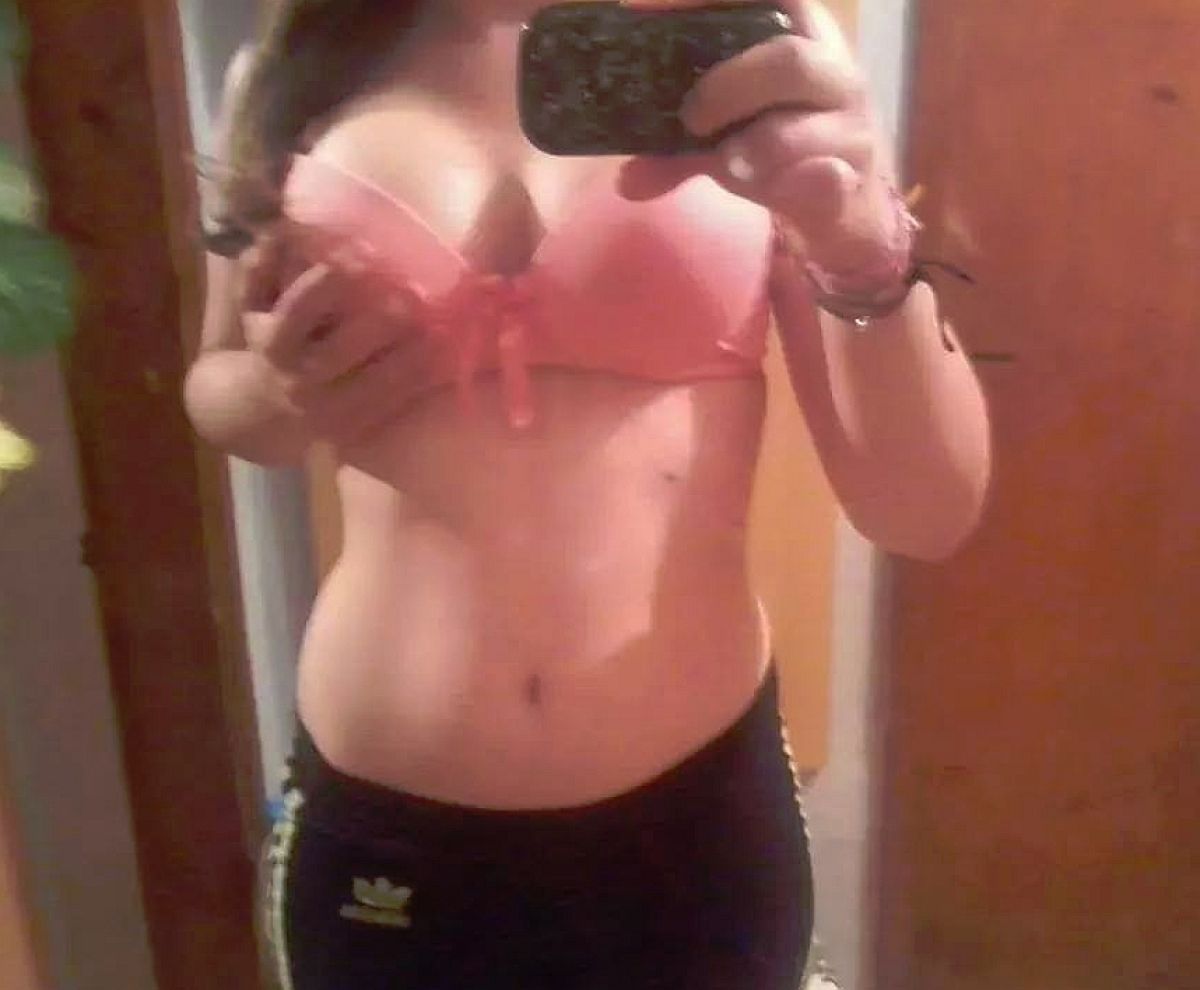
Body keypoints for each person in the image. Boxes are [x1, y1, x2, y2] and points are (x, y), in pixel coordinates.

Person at [185, 1, 991, 988]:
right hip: (386, 825)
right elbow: (219, 389)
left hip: (690, 826)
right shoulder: (298, 63)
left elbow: (926, 509)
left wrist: (861, 245)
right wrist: (279, 392)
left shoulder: (753, 49)